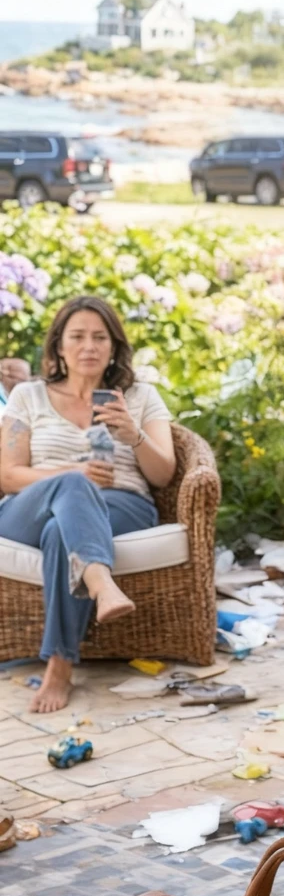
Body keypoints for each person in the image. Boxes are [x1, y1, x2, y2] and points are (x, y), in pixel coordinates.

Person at [0, 296, 175, 713]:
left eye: (100, 337)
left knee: (62, 530)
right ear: (59, 346)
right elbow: (7, 474)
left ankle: (59, 666)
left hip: (121, 506)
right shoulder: (28, 395)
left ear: (114, 346)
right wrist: (69, 474)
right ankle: (101, 584)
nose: (89, 346)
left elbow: (164, 474)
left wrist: (134, 435)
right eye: (77, 336)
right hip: (30, 505)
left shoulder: (140, 396)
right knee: (73, 487)